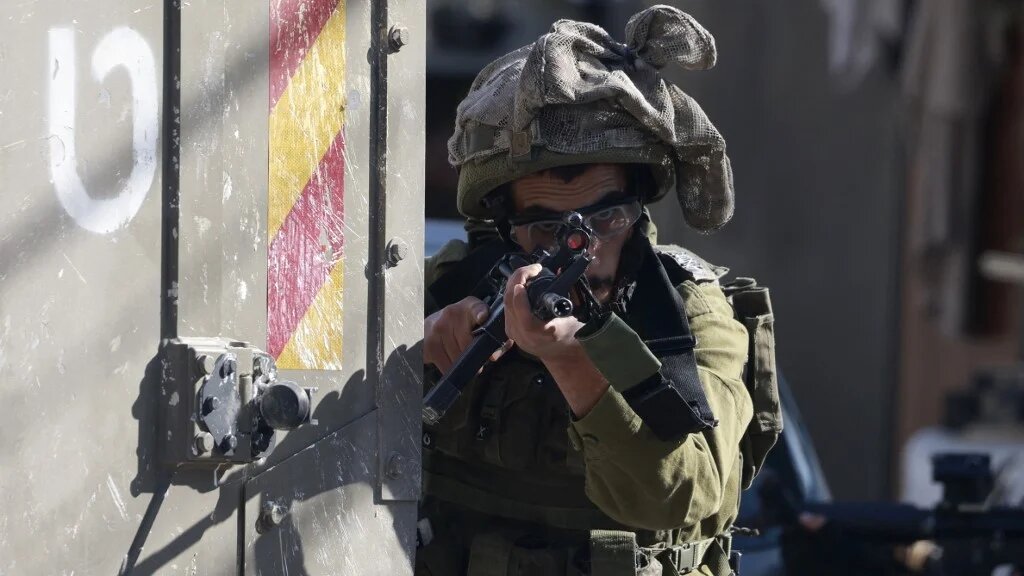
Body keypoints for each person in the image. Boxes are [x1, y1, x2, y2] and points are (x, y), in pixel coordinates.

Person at [418, 6, 777, 575]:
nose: (578, 254)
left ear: (637, 210)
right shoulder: (453, 283)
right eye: (546, 229)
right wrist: (409, 357)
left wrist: (572, 362)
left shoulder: (686, 313)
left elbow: (679, 496)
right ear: (502, 223)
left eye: (603, 221)